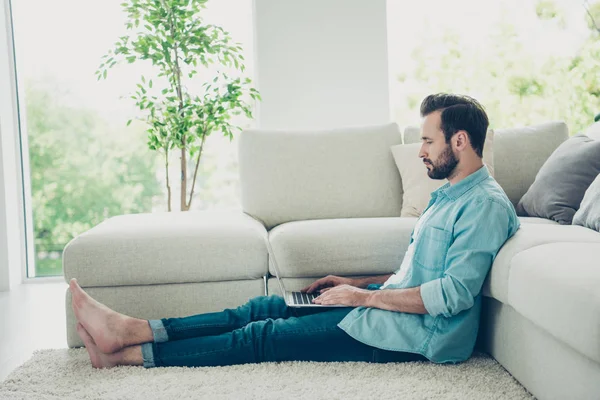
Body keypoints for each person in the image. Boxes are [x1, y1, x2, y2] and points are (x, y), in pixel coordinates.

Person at [70, 93, 520, 369]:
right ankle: (134, 329)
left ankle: (128, 355)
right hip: (385, 305)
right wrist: (355, 284)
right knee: (264, 305)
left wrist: (363, 299)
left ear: (459, 141)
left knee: (261, 336)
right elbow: (417, 275)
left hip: (414, 336)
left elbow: (453, 295)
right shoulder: (447, 196)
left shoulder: (483, 206)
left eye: (428, 139)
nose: (421, 149)